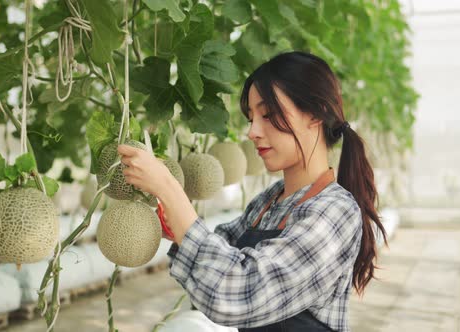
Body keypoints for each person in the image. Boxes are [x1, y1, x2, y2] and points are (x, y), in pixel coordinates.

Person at [116, 51, 387, 332]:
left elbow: (239, 292)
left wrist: (169, 188)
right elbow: (218, 251)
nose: (252, 132)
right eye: (250, 118)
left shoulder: (335, 212)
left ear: (315, 115)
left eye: (268, 115)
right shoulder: (268, 202)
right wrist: (174, 223)